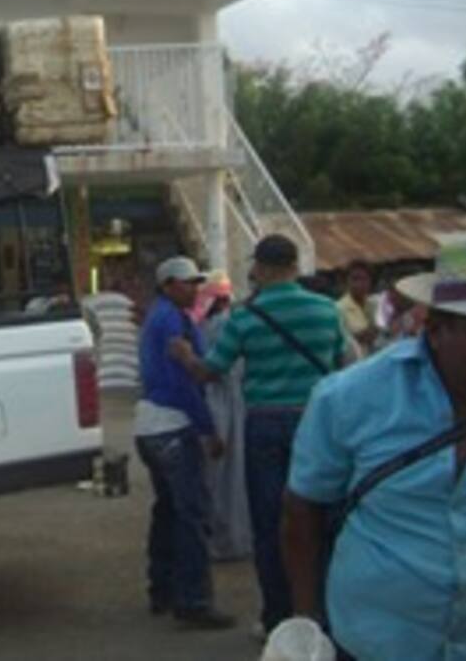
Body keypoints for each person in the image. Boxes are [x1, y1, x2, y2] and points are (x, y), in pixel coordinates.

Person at [283, 237, 466, 660]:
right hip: (375, 646)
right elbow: (302, 509)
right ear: (436, 330)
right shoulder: (349, 398)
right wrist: (309, 628)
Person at [200, 234, 345, 637]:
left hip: (263, 423)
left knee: (270, 523)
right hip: (316, 422)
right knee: (320, 515)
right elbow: (340, 364)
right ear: (296, 267)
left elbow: (213, 368)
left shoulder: (244, 318)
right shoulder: (327, 311)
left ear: (260, 269)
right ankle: (323, 614)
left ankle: (278, 618)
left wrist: (184, 358)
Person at [134, 256, 235, 629]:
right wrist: (207, 429)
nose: (196, 289)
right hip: (173, 425)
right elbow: (183, 386)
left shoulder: (157, 317)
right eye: (189, 283)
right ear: (168, 285)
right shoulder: (174, 321)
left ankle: (161, 588)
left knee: (168, 512)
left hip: (149, 425)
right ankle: (193, 600)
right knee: (192, 515)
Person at [193, 271, 253, 562]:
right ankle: (234, 537)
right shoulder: (233, 322)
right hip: (234, 401)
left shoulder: (218, 325)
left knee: (218, 475)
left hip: (218, 400)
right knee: (234, 475)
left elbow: (211, 368)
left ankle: (222, 539)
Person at [336, 259, 379, 355]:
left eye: (364, 279)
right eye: (355, 279)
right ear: (346, 282)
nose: (360, 284)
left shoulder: (375, 304)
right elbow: (346, 340)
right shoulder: (339, 308)